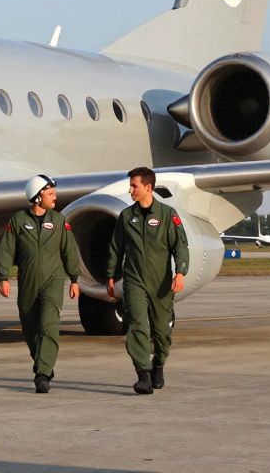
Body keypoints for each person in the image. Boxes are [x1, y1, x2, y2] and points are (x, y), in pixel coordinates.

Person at [0, 174, 81, 393]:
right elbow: (6, 249)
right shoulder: (18, 221)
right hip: (28, 282)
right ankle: (43, 362)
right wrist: (3, 277)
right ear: (37, 196)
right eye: (51, 193)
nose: (55, 197)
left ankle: (42, 373)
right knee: (30, 329)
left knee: (49, 325)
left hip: (52, 281)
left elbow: (69, 251)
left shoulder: (59, 221)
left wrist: (74, 279)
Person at [107, 166, 189, 394]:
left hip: (161, 283)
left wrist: (180, 273)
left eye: (134, 186)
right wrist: (110, 276)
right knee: (137, 326)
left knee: (162, 332)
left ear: (148, 188)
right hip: (134, 281)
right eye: (130, 185)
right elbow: (116, 248)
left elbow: (180, 246)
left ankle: (158, 365)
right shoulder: (126, 216)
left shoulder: (167, 214)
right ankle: (143, 374)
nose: (130, 190)